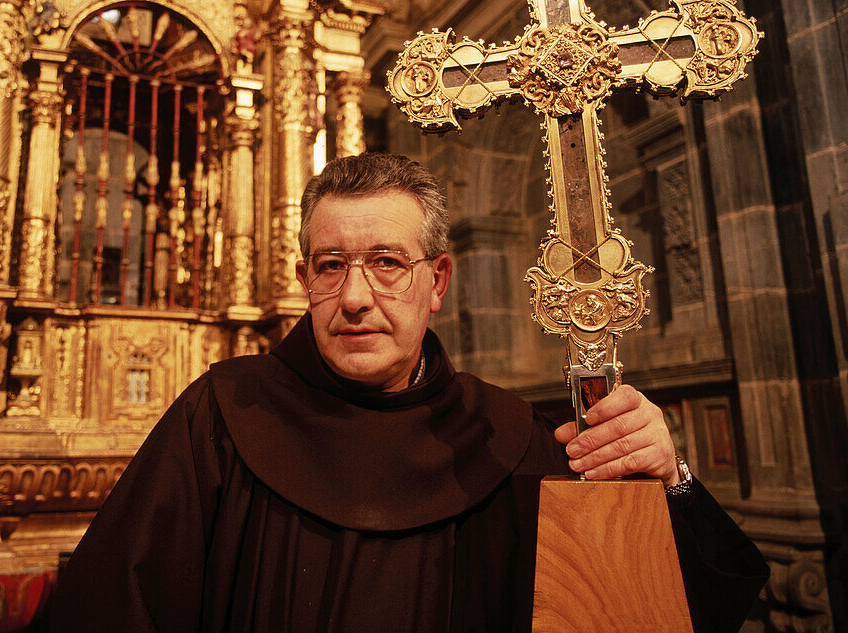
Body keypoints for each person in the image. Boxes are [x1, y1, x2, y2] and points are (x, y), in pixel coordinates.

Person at [51, 152, 768, 632]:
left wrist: (666, 478)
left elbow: (655, 607)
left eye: (388, 262)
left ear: (439, 282)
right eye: (330, 264)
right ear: (305, 279)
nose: (355, 296)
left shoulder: (508, 436)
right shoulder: (225, 413)